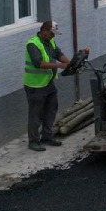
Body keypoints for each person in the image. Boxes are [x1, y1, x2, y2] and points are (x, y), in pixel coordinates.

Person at [24, 21, 70, 152]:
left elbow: (58, 54)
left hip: (48, 82)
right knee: (35, 114)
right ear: (44, 31)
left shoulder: (50, 42)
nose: (53, 36)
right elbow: (38, 63)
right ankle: (33, 141)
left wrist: (70, 63)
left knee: (51, 109)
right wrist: (60, 66)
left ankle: (47, 136)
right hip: (35, 85)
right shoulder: (32, 44)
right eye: (51, 34)